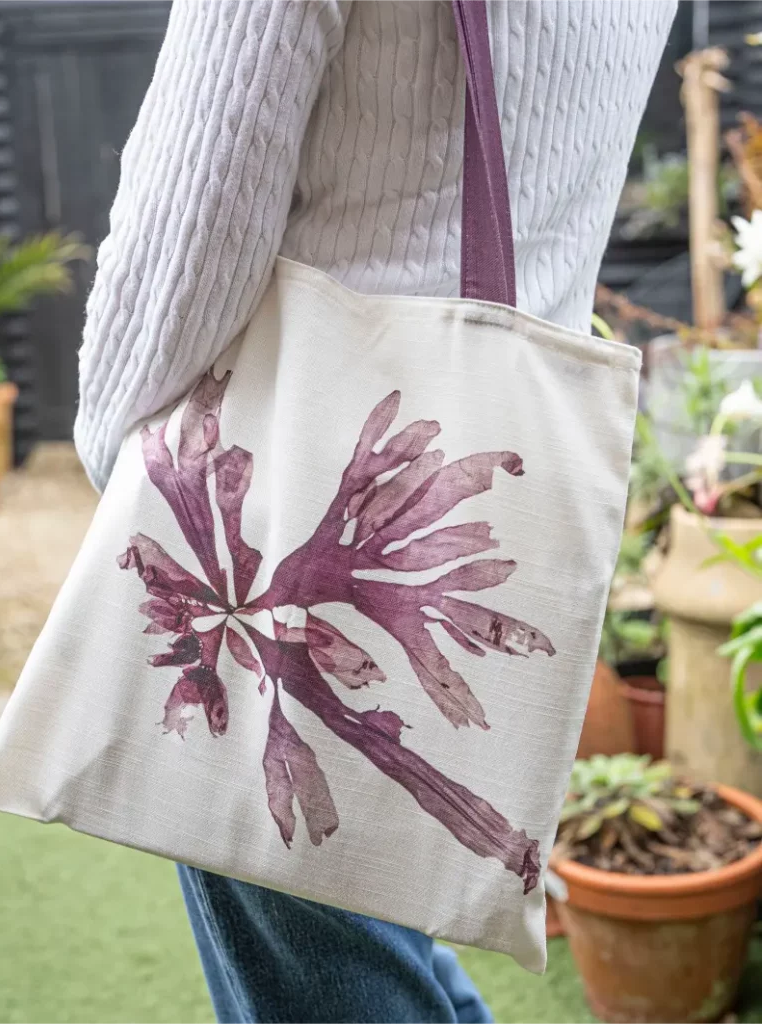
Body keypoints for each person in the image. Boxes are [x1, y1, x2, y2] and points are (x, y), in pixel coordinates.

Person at [75, 0, 677, 1020]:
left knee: (319, 954)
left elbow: (192, 216)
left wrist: (122, 459)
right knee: (371, 925)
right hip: (483, 471)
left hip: (284, 484)